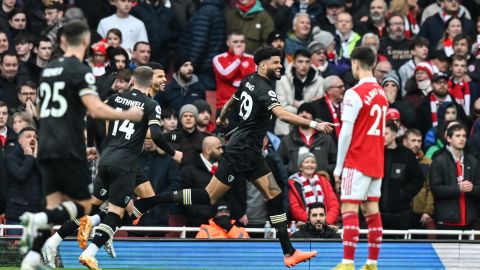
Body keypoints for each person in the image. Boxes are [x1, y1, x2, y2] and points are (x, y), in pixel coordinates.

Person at [148, 46, 334, 267]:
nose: (279, 66)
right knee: (209, 197)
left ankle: (289, 251)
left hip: (251, 152)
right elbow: (282, 115)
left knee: (274, 195)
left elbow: (232, 102)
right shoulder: (265, 89)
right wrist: (315, 124)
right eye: (275, 62)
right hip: (240, 150)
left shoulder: (249, 80)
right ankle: (157, 199)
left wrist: (223, 118)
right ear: (263, 64)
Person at [18, 20, 144, 270]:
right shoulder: (80, 70)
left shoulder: (50, 68)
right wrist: (128, 115)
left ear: (63, 41)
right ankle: (36, 220)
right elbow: (95, 109)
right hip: (67, 147)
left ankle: (33, 257)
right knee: (84, 206)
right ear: (86, 42)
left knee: (56, 203)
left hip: (48, 144)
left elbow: (45, 111)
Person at [78, 66, 182, 269]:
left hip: (107, 157)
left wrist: (90, 145)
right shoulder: (151, 104)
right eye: (159, 77)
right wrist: (173, 152)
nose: (163, 81)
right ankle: (91, 245)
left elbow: (91, 114)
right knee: (116, 212)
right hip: (125, 162)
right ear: (150, 81)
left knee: (144, 201)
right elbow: (157, 134)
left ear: (133, 80)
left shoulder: (117, 98)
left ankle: (99, 227)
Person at [333, 46, 388, 270]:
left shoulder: (354, 93)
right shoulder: (382, 94)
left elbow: (346, 132)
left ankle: (347, 263)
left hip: (357, 158)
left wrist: (338, 167)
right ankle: (372, 263)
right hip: (377, 160)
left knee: (349, 208)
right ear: (373, 64)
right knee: (372, 210)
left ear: (355, 63)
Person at [430, 123, 480, 236]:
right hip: (446, 222)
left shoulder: (473, 162)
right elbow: (435, 189)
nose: (462, 139)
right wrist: (458, 189)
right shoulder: (439, 161)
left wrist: (472, 189)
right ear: (448, 138)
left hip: (469, 222)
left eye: (464, 136)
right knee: (447, 254)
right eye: (457, 136)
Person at [380, 122, 423, 232]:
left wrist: (404, 193)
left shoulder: (406, 154)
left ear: (394, 135)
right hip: (378, 212)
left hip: (401, 213)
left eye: (385, 133)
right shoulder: (376, 153)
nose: (382, 137)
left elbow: (418, 179)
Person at [275, 49, 324, 136]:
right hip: (285, 130)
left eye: (307, 62)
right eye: (300, 62)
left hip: (310, 131)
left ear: (311, 63)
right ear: (294, 63)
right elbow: (282, 108)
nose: (304, 65)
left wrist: (298, 104)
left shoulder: (319, 81)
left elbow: (316, 108)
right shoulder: (282, 80)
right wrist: (305, 108)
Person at [4, 127, 42, 236]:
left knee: (37, 250)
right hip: (17, 215)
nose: (33, 139)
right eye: (28, 137)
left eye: (35, 137)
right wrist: (29, 155)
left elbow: (45, 179)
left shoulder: (39, 158)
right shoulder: (10, 157)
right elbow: (20, 175)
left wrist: (36, 158)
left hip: (37, 214)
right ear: (19, 140)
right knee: (16, 250)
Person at [288, 153, 339, 225]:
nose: (310, 165)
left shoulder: (324, 181)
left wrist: (326, 221)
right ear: (300, 167)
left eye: (313, 162)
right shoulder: (294, 183)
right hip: (304, 225)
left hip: (325, 224)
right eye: (306, 162)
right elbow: (295, 209)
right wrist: (313, 221)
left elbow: (334, 205)